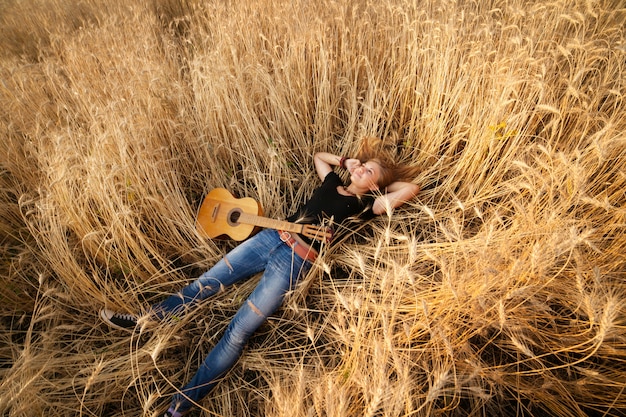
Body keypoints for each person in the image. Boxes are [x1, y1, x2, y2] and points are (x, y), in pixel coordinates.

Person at [100, 137, 420, 417]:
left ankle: (182, 403)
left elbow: (411, 188)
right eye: (363, 165)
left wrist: (382, 183)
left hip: (294, 263)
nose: (362, 169)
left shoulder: (368, 205)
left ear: (376, 186)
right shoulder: (330, 183)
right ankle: (144, 323)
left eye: (369, 172)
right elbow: (318, 159)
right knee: (205, 284)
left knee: (238, 331)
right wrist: (347, 162)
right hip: (270, 238)